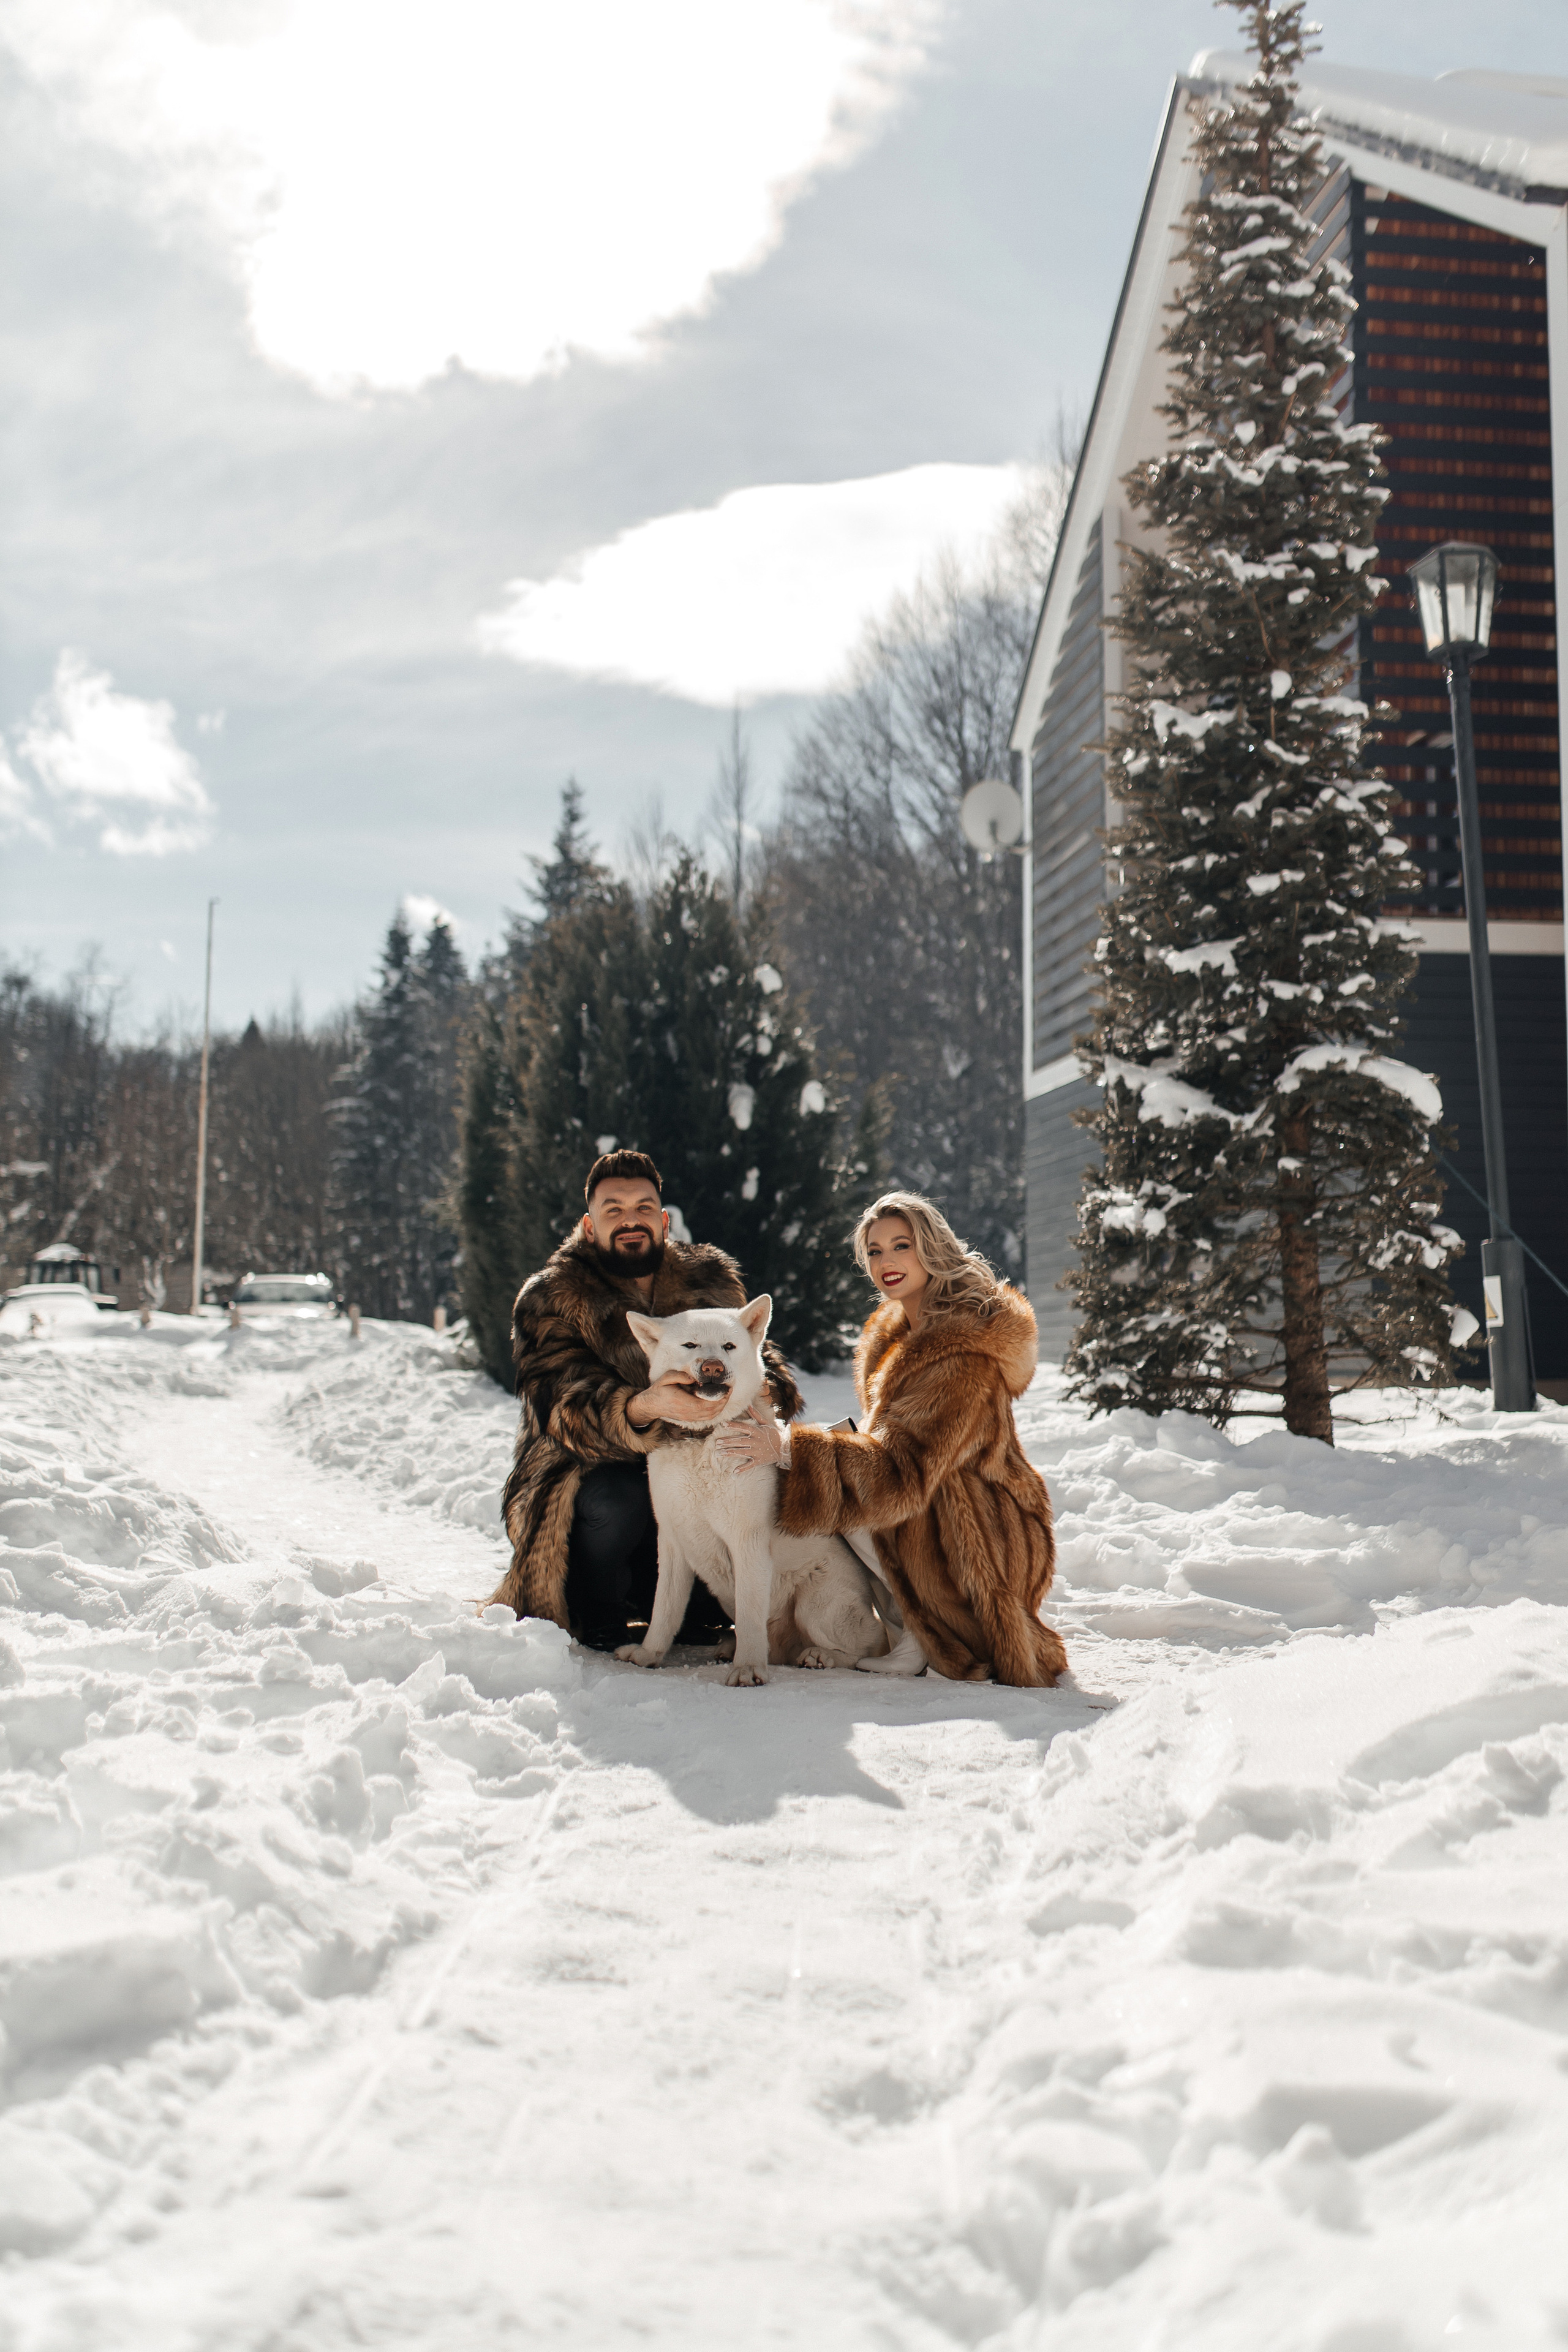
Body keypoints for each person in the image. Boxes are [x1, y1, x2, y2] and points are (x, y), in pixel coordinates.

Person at [715, 1189, 1066, 1686]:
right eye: (875, 1251)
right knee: (834, 1465)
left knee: (840, 1488)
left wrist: (791, 1449)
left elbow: (903, 1473)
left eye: (902, 1246)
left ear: (932, 1248)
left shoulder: (959, 1351)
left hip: (980, 1534)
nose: (886, 1262)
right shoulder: (902, 1333)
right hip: (940, 1498)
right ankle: (907, 1627)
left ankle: (922, 1633)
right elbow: (893, 1445)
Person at [488, 1149, 803, 1649]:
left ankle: (706, 1607)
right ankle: (598, 1611)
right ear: (589, 1226)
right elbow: (562, 1407)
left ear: (663, 1221)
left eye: (643, 1208)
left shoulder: (710, 1281)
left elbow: (767, 1366)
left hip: (701, 1459)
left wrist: (758, 1388)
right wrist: (644, 1408)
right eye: (613, 1210)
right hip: (588, 1470)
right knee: (622, 1497)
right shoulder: (551, 1296)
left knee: (750, 1481)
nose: (629, 1220)